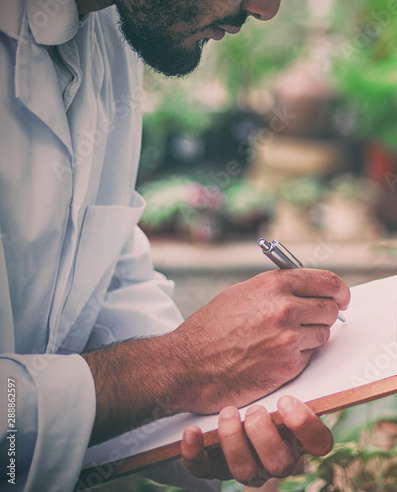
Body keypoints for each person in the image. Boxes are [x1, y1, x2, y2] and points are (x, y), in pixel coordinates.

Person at [0, 0, 349, 489]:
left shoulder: (107, 37)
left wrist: (211, 421)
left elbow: (105, 287)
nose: (266, 10)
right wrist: (181, 368)